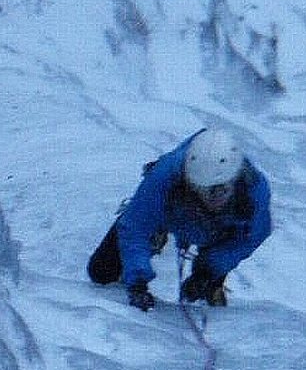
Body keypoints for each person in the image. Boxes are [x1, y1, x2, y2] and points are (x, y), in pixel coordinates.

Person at [87, 127, 271, 309]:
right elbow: (136, 228)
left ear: (235, 180)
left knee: (208, 281)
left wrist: (207, 271)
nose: (211, 198)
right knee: (101, 271)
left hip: (218, 227)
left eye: (220, 189)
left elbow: (248, 239)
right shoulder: (163, 177)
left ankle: (213, 282)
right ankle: (159, 226)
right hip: (175, 210)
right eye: (202, 189)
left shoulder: (255, 193)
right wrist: (137, 282)